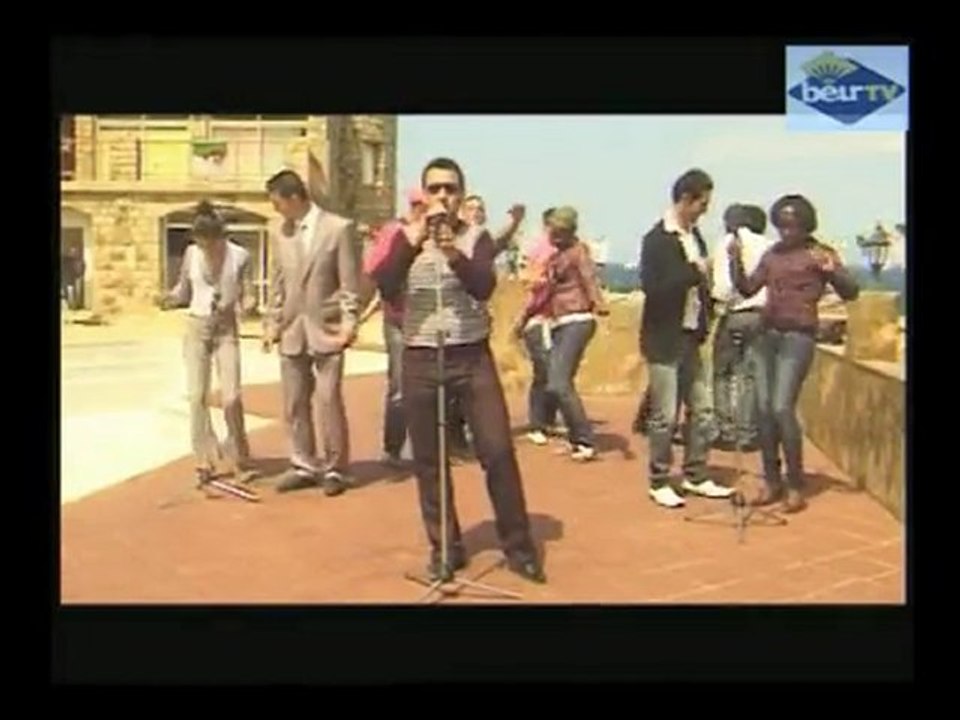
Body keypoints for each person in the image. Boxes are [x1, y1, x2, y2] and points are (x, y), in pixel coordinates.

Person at [369, 156, 545, 584]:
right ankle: (445, 548)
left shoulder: (475, 237)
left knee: (497, 450)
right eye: (435, 189)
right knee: (429, 460)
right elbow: (386, 283)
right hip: (421, 356)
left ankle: (518, 546)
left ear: (461, 195)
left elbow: (483, 285)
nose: (443, 197)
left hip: (470, 356)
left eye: (450, 189)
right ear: (424, 195)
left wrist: (451, 251)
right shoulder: (404, 235)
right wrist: (413, 241)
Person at [729, 194, 859, 512]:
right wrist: (734, 261)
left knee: (781, 407)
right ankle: (772, 481)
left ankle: (796, 484)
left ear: (805, 225)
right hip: (767, 334)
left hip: (798, 337)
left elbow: (851, 292)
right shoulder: (773, 255)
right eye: (782, 226)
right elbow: (747, 288)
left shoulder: (818, 253)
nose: (787, 232)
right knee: (763, 410)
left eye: (793, 226)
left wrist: (833, 271)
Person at [262, 169, 362, 497]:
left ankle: (335, 467)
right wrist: (271, 324)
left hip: (327, 328)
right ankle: (303, 463)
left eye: (278, 203)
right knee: (294, 402)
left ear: (294, 198)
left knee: (328, 400)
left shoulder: (338, 228)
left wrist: (349, 323)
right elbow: (277, 283)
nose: (276, 210)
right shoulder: (279, 232)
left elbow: (349, 283)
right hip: (292, 329)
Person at [639, 169, 734, 508]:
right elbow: (654, 287)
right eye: (702, 203)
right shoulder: (657, 240)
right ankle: (659, 479)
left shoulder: (695, 238)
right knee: (665, 414)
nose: (705, 210)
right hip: (664, 337)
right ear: (685, 199)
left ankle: (696, 473)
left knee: (703, 410)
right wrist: (694, 272)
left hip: (691, 334)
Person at [161, 200, 255, 487]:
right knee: (197, 396)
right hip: (197, 326)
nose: (206, 249)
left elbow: (248, 293)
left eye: (210, 244)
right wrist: (169, 298)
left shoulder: (240, 256)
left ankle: (239, 455)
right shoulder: (192, 254)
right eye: (201, 243)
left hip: (226, 328)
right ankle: (204, 458)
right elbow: (183, 290)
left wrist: (248, 304)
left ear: (220, 238)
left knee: (231, 397)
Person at [515, 206, 608, 460]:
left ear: (570, 232)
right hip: (559, 322)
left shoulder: (578, 252)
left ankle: (584, 440)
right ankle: (575, 438)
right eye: (551, 232)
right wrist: (523, 318)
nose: (553, 237)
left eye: (559, 233)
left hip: (577, 319)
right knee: (556, 380)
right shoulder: (557, 256)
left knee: (558, 381)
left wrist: (598, 302)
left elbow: (589, 278)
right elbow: (542, 292)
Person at [362, 187, 428, 468]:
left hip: (428, 319)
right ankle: (393, 449)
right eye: (417, 205)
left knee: (429, 387)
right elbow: (375, 270)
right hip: (398, 319)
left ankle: (429, 447)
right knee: (400, 386)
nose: (420, 210)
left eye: (424, 205)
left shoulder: (439, 235)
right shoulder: (394, 231)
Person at [711, 203, 772, 451]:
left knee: (723, 373)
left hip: (735, 313)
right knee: (750, 375)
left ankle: (725, 430)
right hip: (762, 316)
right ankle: (747, 432)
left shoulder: (728, 243)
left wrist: (719, 307)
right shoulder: (769, 245)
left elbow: (723, 286)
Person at [515, 208, 562, 445]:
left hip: (558, 319)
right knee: (542, 369)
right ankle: (537, 423)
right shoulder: (538, 248)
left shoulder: (565, 249)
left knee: (557, 371)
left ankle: (548, 419)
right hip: (537, 318)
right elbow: (528, 281)